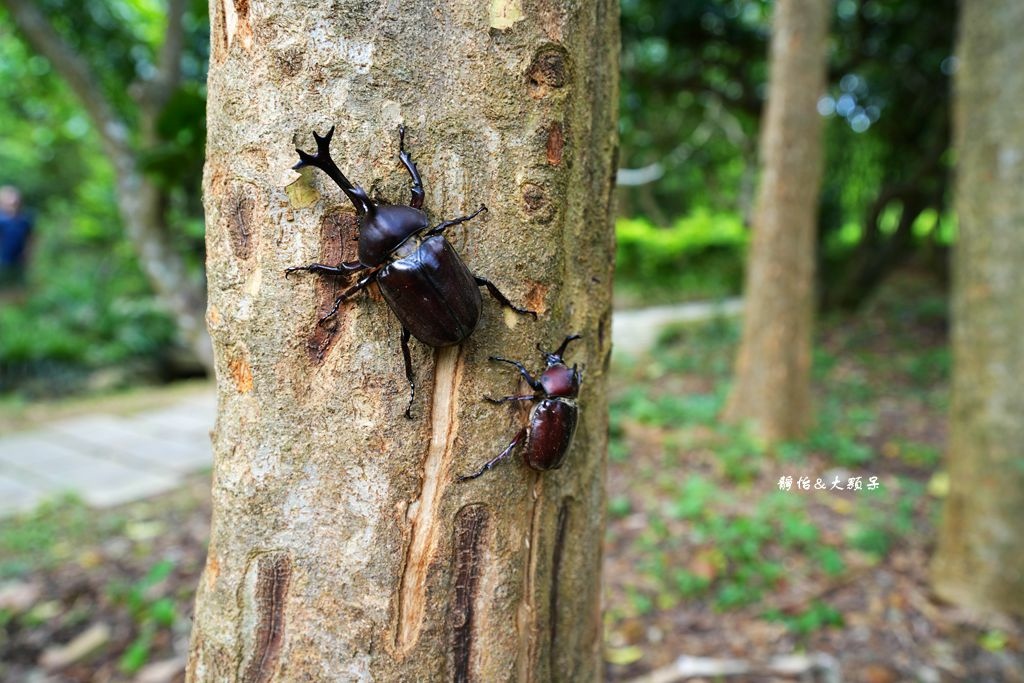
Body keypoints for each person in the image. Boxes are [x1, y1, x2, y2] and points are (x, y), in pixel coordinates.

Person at [0, 185, 33, 289]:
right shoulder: (1, 220)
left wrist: (28, 254)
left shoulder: (25, 219)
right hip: (3, 258)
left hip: (19, 259)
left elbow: (30, 238)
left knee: (17, 285)